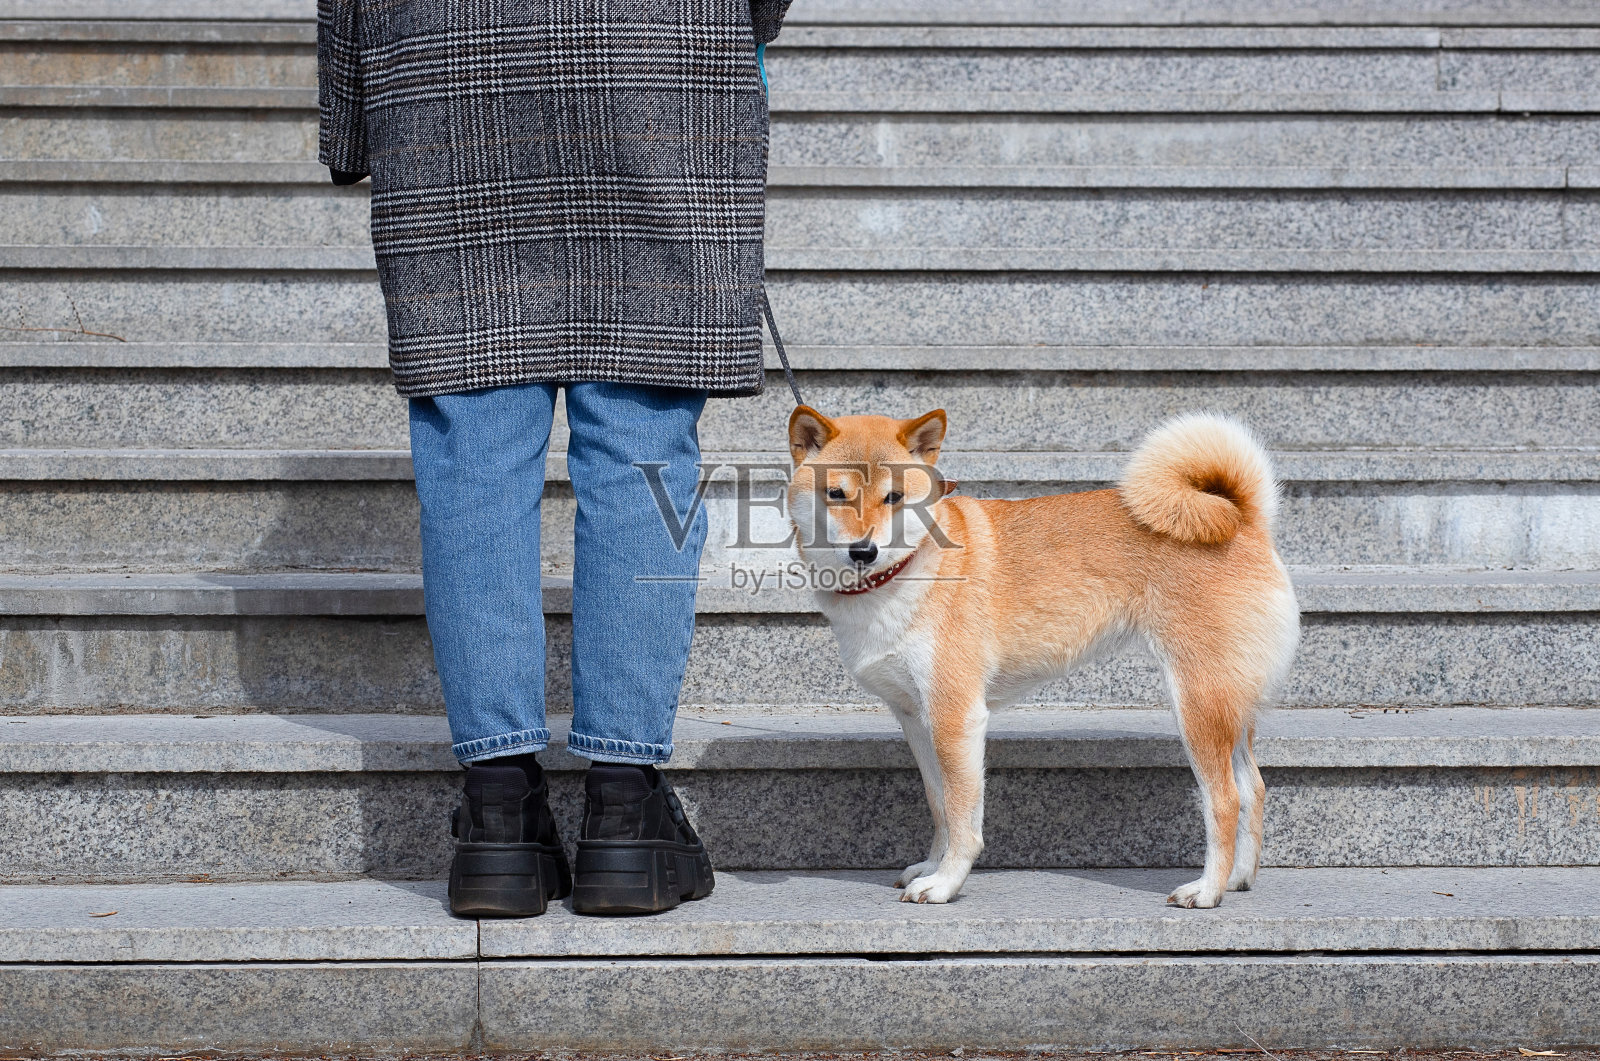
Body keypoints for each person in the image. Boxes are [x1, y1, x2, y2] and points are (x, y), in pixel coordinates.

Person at [316, 0, 795, 917]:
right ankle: (625, 815)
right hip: (656, 62)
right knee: (643, 437)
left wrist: (350, 108)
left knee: (474, 447)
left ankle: (499, 819)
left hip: (445, 69)